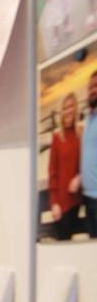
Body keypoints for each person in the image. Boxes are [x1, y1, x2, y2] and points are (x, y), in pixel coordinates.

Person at [48, 93, 83, 240]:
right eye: (65, 108)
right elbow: (52, 172)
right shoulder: (57, 137)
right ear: (61, 111)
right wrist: (54, 202)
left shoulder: (81, 133)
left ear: (75, 108)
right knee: (63, 243)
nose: (68, 111)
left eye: (71, 106)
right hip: (61, 205)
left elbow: (87, 162)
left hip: (76, 201)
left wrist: (79, 177)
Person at [84, 70, 97, 236]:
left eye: (96, 86)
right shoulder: (88, 118)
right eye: (90, 87)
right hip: (87, 198)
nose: (92, 90)